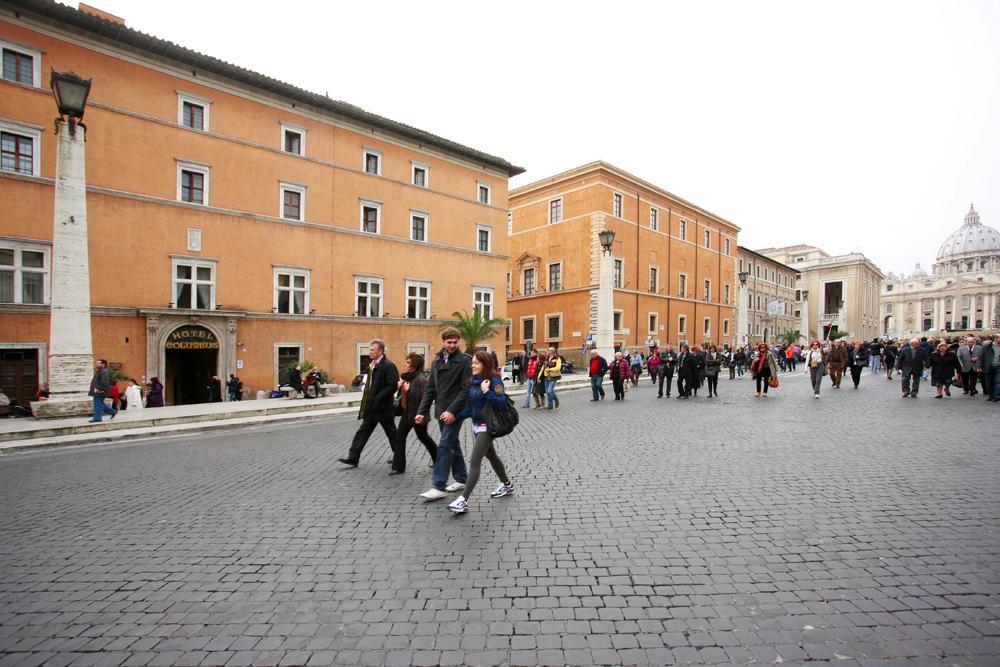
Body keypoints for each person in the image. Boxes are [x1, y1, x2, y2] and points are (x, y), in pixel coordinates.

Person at [447, 351, 514, 514]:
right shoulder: (474, 381)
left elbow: (501, 403)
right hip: (476, 425)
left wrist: (487, 391)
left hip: (488, 426)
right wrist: (454, 416)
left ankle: (463, 501)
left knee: (474, 461)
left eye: (476, 363)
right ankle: (507, 485)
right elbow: (471, 408)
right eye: (473, 363)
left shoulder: (495, 380)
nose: (472, 365)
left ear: (485, 363)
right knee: (492, 456)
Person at [417, 328, 472, 501]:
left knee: (445, 445)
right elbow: (430, 389)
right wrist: (421, 411)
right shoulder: (436, 362)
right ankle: (462, 478)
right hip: (441, 410)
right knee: (452, 443)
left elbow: (465, 390)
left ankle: (438, 485)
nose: (452, 345)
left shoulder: (465, 361)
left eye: (455, 342)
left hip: (455, 411)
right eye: (449, 342)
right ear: (443, 342)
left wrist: (452, 411)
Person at [338, 339, 399, 468]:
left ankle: (399, 456)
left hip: (383, 408)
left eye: (372, 350)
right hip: (372, 407)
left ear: (381, 351)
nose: (369, 352)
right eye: (369, 350)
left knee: (392, 433)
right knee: (362, 432)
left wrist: (378, 398)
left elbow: (393, 385)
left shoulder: (388, 365)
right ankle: (353, 457)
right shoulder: (372, 365)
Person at [389, 352, 437, 475]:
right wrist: (400, 388)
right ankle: (398, 467)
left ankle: (438, 459)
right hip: (407, 414)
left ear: (414, 365)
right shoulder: (408, 378)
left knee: (424, 438)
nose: (406, 364)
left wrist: (408, 390)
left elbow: (424, 398)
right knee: (399, 438)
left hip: (418, 416)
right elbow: (402, 397)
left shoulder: (421, 379)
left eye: (408, 362)